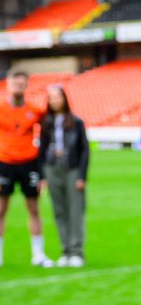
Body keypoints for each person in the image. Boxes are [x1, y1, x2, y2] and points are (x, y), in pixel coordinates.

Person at [0, 69, 51, 268]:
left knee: (34, 209)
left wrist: (43, 172)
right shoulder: (1, 108)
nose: (18, 88)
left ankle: (38, 254)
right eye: (15, 84)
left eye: (22, 84)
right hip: (4, 163)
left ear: (26, 86)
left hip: (29, 162)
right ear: (8, 85)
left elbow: (47, 135)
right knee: (1, 210)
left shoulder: (35, 110)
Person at [37, 84, 89, 267]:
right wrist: (42, 175)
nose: (54, 100)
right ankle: (65, 250)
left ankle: (77, 251)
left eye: (57, 97)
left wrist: (82, 175)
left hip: (72, 169)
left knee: (75, 210)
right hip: (52, 168)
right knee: (59, 210)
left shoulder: (76, 122)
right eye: (51, 97)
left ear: (64, 99)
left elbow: (84, 150)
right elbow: (41, 150)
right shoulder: (46, 123)